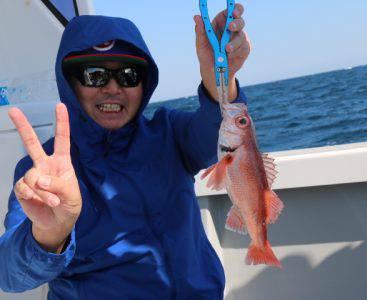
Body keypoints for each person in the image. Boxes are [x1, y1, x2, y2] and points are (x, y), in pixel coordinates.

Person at [0, 4, 250, 299]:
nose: (113, 88)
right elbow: (9, 274)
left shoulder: (168, 133)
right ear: (70, 83)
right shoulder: (41, 170)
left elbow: (222, 138)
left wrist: (220, 79)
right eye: (95, 75)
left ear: (144, 84)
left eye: (129, 75)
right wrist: (49, 234)